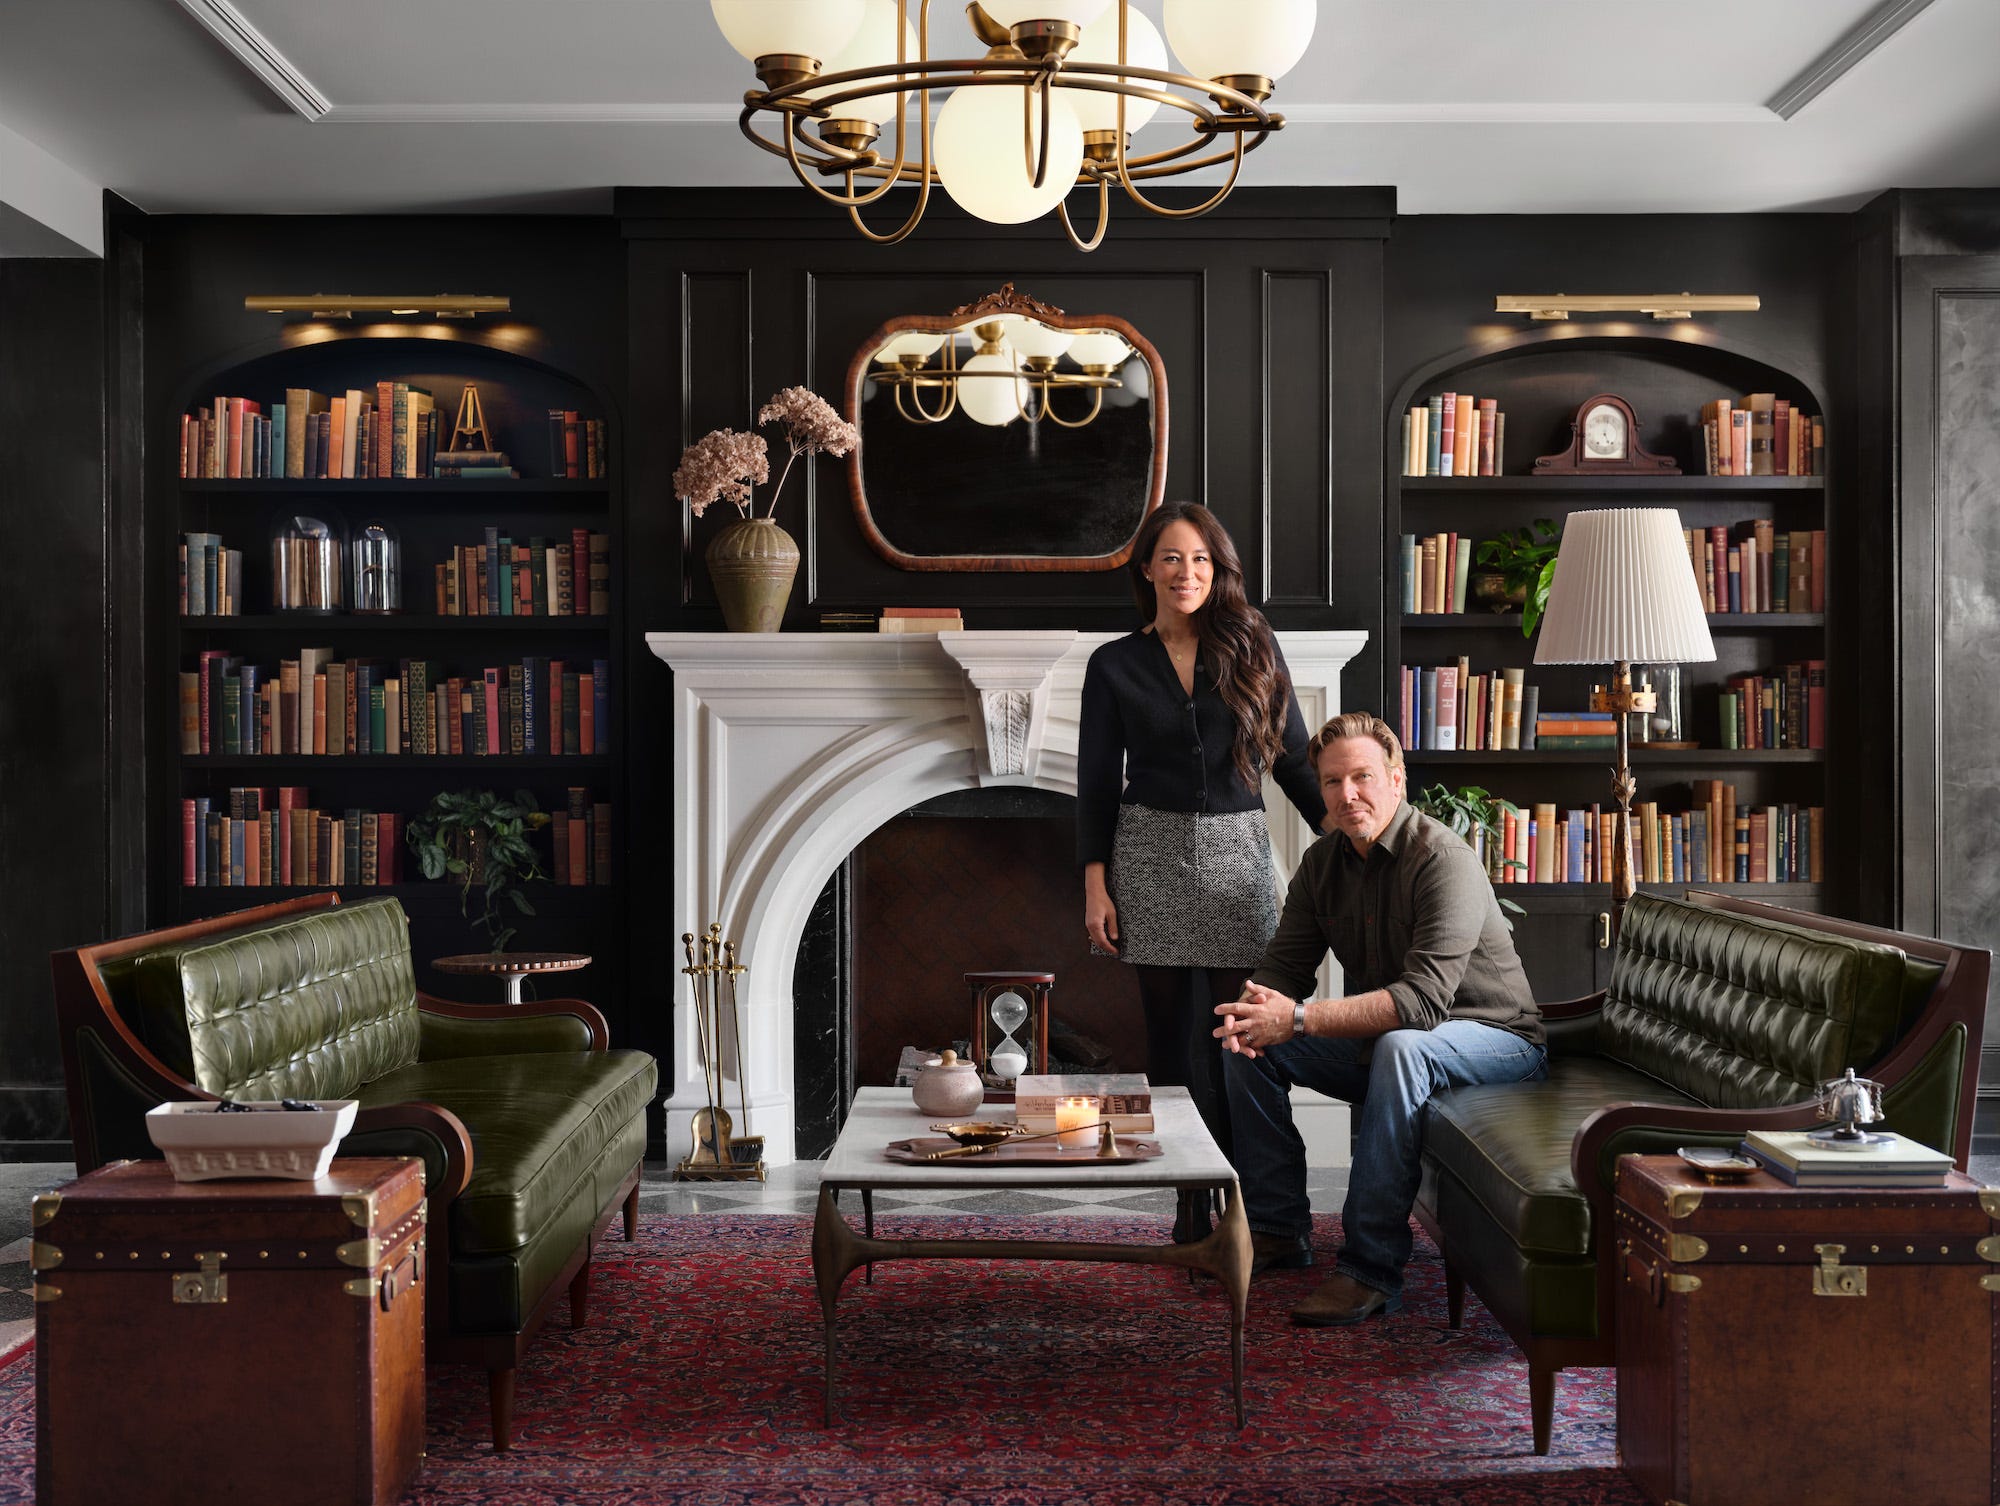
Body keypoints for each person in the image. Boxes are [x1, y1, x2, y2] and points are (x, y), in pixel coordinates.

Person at [1213, 711, 1546, 1325]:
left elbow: (1421, 1004)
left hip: (1499, 1042)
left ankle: (1370, 1268)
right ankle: (1276, 1227)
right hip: (1401, 1044)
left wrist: (1299, 1018)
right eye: (1332, 782)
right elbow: (1284, 968)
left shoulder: (1443, 859)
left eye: (1362, 777)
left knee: (1400, 1045)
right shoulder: (1322, 864)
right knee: (1251, 1041)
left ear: (1396, 779)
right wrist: (1253, 1011)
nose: (1347, 794)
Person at [1077, 502, 1331, 1238]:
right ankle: (1192, 1209)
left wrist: (1350, 837)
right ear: (1146, 570)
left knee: (1243, 1043)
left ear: (1218, 572)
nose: (1185, 573)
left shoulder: (1254, 646)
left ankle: (1263, 1214)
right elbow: (1097, 781)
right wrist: (1095, 884)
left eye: (1200, 560)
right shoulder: (1114, 664)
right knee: (1169, 1049)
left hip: (1237, 864)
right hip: (1147, 860)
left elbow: (1293, 758)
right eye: (1171, 558)